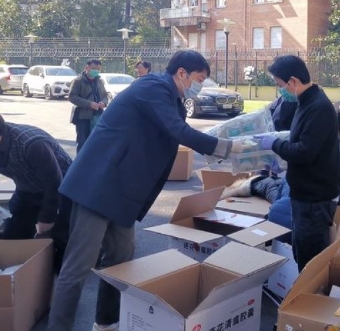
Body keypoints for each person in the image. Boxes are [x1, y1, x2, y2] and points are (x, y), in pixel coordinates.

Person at [48, 50, 245, 331]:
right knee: (79, 265)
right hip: (99, 184)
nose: (198, 86)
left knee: (121, 257)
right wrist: (228, 147)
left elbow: (178, 131)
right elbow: (178, 131)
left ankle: (106, 323)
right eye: (198, 79)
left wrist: (221, 147)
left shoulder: (172, 99)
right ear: (181, 73)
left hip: (123, 190)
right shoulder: (152, 87)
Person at [255, 55, 339, 271]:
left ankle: (310, 292)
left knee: (310, 258)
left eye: (279, 85)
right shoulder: (306, 102)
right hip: (304, 193)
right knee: (301, 250)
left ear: (293, 81)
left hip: (313, 198)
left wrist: (275, 144)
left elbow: (304, 152)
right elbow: (302, 143)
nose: (279, 91)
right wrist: (280, 161)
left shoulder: (318, 107)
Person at [221, 143, 340, 233]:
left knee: (281, 185)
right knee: (280, 186)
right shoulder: (331, 145)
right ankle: (251, 184)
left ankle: (250, 184)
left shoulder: (317, 151)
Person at [0, 115, 71, 271]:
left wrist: (47, 217)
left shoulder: (31, 144)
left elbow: (54, 181)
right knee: (14, 232)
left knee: (60, 236)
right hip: (27, 186)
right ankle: (15, 271)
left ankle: (58, 273)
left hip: (63, 188)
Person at [69, 59, 108, 153]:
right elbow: (72, 97)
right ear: (86, 67)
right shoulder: (78, 81)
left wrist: (104, 103)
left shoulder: (100, 81)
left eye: (98, 69)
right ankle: (81, 162)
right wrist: (89, 104)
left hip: (97, 116)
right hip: (83, 117)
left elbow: (105, 96)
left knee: (97, 142)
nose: (96, 71)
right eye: (93, 68)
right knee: (82, 143)